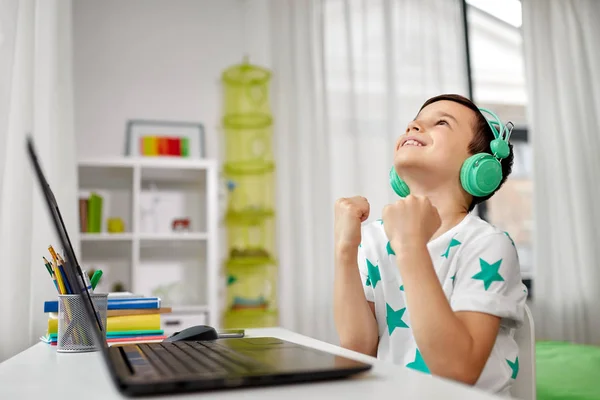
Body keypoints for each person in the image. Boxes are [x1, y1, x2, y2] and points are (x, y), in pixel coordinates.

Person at [333, 94, 527, 396]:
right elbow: (358, 349)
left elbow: (456, 370)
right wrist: (346, 249)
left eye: (440, 122)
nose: (413, 126)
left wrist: (410, 245)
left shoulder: (488, 245)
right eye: (413, 123)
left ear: (478, 166)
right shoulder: (373, 239)